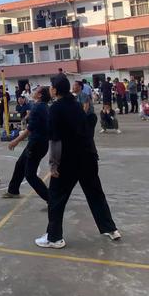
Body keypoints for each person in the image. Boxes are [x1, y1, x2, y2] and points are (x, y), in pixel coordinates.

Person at [35, 75, 121, 249]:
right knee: (96, 194)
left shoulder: (56, 108)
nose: (50, 89)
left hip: (69, 161)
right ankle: (110, 229)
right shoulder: (76, 104)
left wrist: (53, 165)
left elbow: (55, 140)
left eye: (51, 86)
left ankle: (54, 238)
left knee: (56, 198)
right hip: (88, 157)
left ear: (55, 89)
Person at [3, 86, 51, 201]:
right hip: (40, 143)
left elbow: (29, 130)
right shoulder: (44, 107)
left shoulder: (37, 107)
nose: (33, 92)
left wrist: (15, 141)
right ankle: (13, 190)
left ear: (40, 95)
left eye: (36, 91)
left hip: (36, 144)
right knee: (20, 164)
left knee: (30, 175)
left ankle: (51, 199)